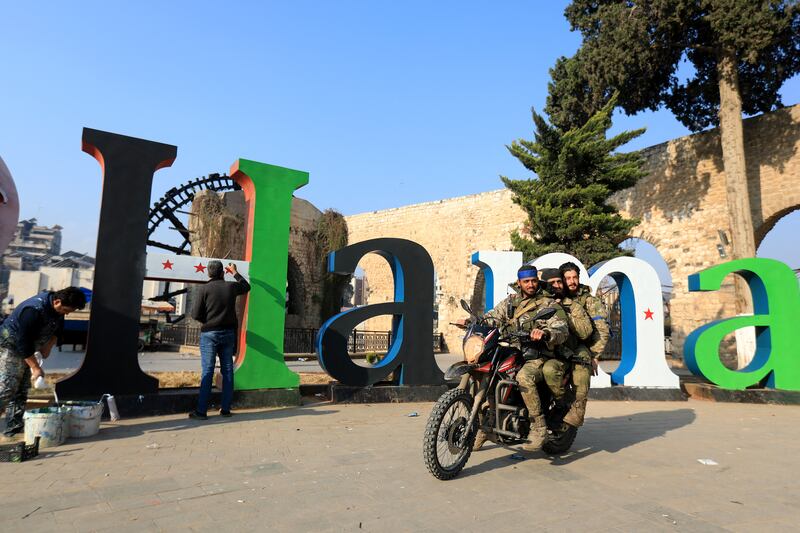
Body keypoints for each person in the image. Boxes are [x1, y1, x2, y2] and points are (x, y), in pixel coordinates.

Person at [474, 264, 569, 452]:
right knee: (488, 371)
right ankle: (489, 423)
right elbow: (493, 317)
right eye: (526, 281)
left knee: (524, 377)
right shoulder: (511, 302)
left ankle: (539, 427)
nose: (530, 285)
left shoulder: (548, 304)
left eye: (533, 281)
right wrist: (473, 322)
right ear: (519, 282)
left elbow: (561, 328)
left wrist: (545, 333)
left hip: (537, 355)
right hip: (510, 352)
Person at [0, 287, 86, 440]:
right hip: (10, 346)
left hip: (28, 347)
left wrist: (47, 347)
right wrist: (35, 367)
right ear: (57, 302)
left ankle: (13, 430)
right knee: (7, 387)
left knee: (21, 390)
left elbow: (57, 331)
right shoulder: (33, 310)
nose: (66, 314)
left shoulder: (58, 310)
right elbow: (23, 341)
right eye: (66, 310)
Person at [189, 261, 250, 420]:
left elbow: (195, 314)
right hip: (228, 333)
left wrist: (208, 321)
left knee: (208, 371)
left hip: (209, 334)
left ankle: (201, 411)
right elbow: (246, 286)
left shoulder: (204, 289)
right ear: (223, 273)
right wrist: (234, 272)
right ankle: (226, 409)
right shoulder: (230, 287)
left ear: (209, 273)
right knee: (228, 371)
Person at [559, 262, 610, 428]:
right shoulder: (555, 297)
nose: (572, 281)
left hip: (579, 346)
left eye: (575, 277)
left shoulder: (589, 301)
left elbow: (602, 330)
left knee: (582, 368)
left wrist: (594, 355)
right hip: (556, 344)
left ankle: (577, 411)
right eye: (568, 278)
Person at [539, 267, 594, 413]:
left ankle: (568, 408)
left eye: (559, 282)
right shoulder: (537, 303)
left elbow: (585, 332)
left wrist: (562, 313)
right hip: (540, 352)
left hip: (568, 352)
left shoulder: (572, 306)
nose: (557, 285)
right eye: (552, 282)